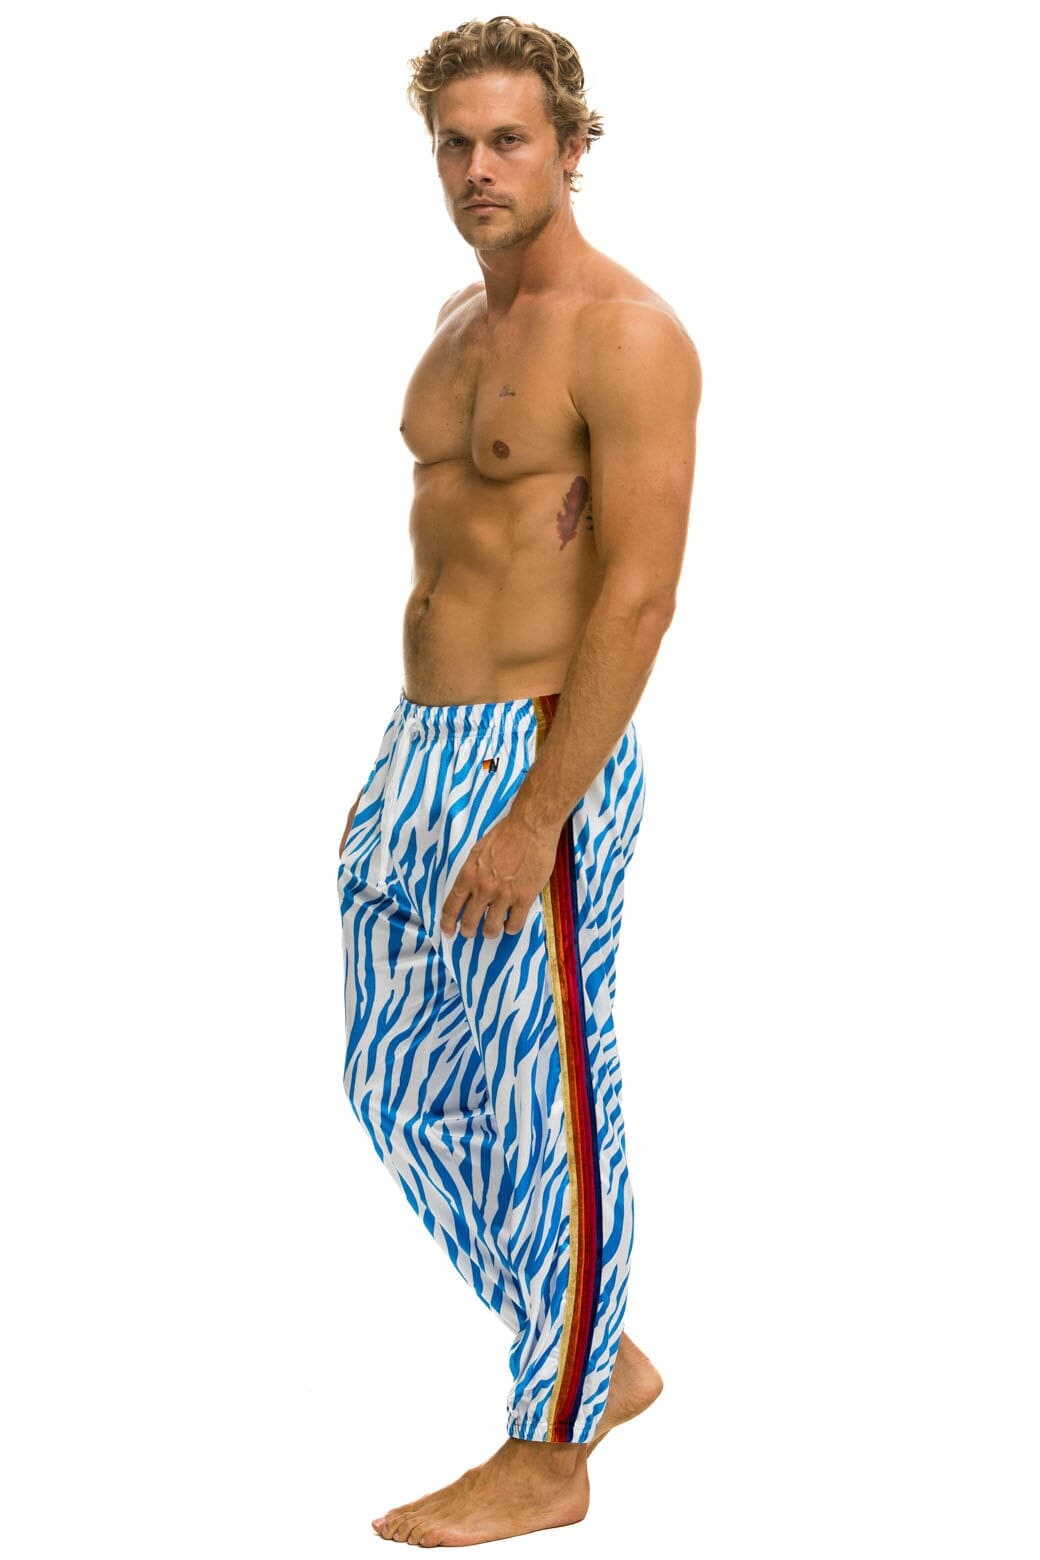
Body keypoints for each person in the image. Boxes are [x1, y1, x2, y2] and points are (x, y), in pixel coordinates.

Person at [336, 16, 701, 1548]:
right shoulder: (455, 323)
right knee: (390, 1078)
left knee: (544, 1095)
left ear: (571, 147)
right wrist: (406, 777)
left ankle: (551, 1447)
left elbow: (638, 596)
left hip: (536, 752)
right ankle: (595, 1348)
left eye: (508, 140)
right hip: (420, 741)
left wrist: (538, 810)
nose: (478, 168)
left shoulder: (628, 334)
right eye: (455, 143)